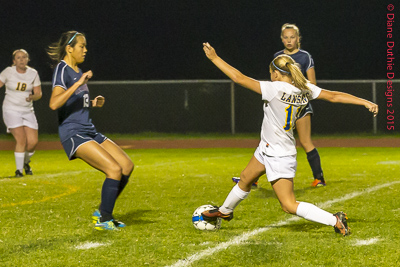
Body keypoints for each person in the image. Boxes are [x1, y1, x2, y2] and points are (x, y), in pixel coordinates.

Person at [201, 42, 378, 236]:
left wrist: (215, 58)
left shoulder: (275, 88)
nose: (270, 76)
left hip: (279, 154)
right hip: (268, 147)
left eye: (271, 73)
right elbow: (334, 96)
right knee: (245, 178)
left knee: (288, 205)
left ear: (276, 74)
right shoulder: (305, 88)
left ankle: (334, 220)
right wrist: (364, 101)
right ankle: (225, 212)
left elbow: (239, 78)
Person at [47, 31, 134, 231]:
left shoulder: (79, 72)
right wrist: (78, 83)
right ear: (69, 49)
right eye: (81, 46)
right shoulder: (63, 69)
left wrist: (93, 103)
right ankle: (104, 218)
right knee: (114, 170)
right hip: (73, 133)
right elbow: (54, 103)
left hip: (89, 130)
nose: (85, 50)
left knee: (126, 165)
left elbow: (75, 102)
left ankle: (102, 212)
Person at [233, 23, 325, 188]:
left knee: (305, 141)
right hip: (281, 104)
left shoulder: (305, 56)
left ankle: (319, 178)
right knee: (270, 138)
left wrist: (293, 91)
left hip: (300, 106)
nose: (289, 41)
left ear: (298, 39)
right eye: (286, 37)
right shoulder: (277, 56)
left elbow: (313, 83)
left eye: (292, 37)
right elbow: (274, 80)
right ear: (282, 39)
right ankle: (252, 178)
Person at [0, 49, 42, 177]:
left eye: (24, 57)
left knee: (32, 143)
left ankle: (25, 162)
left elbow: (38, 94)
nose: (21, 59)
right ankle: (19, 171)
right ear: (14, 61)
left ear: (28, 59)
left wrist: (32, 97)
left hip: (27, 110)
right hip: (11, 109)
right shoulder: (8, 72)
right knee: (21, 139)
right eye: (18, 58)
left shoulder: (33, 73)